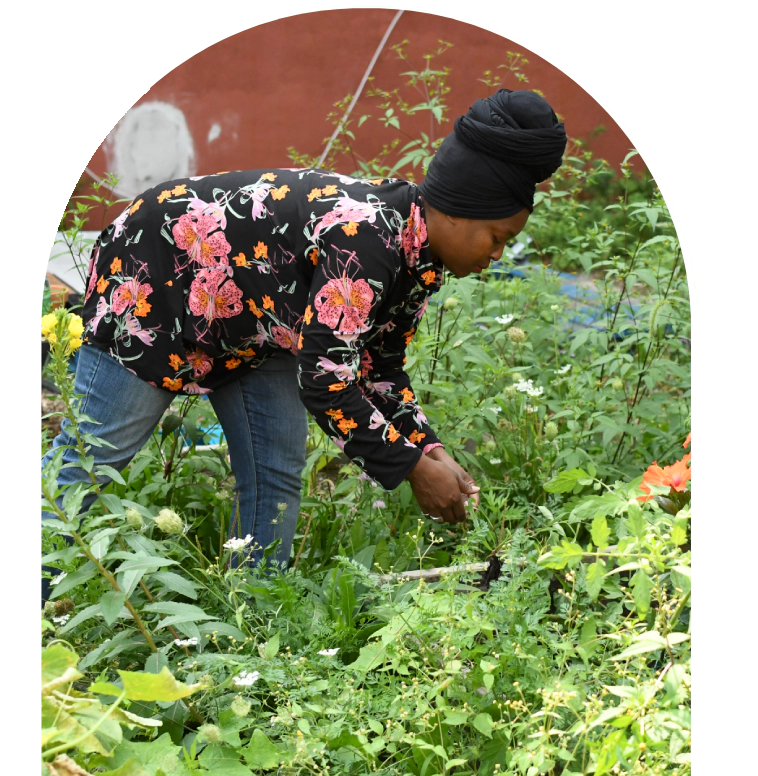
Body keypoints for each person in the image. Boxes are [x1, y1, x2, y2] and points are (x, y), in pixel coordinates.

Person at [41, 89, 566, 599]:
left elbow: (379, 371)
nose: (497, 254)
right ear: (457, 209)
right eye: (497, 237)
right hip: (158, 274)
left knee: (274, 475)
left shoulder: (417, 256)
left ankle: (257, 626)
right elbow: (326, 380)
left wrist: (428, 448)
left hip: (261, 323)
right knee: (93, 458)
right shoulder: (368, 239)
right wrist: (408, 467)